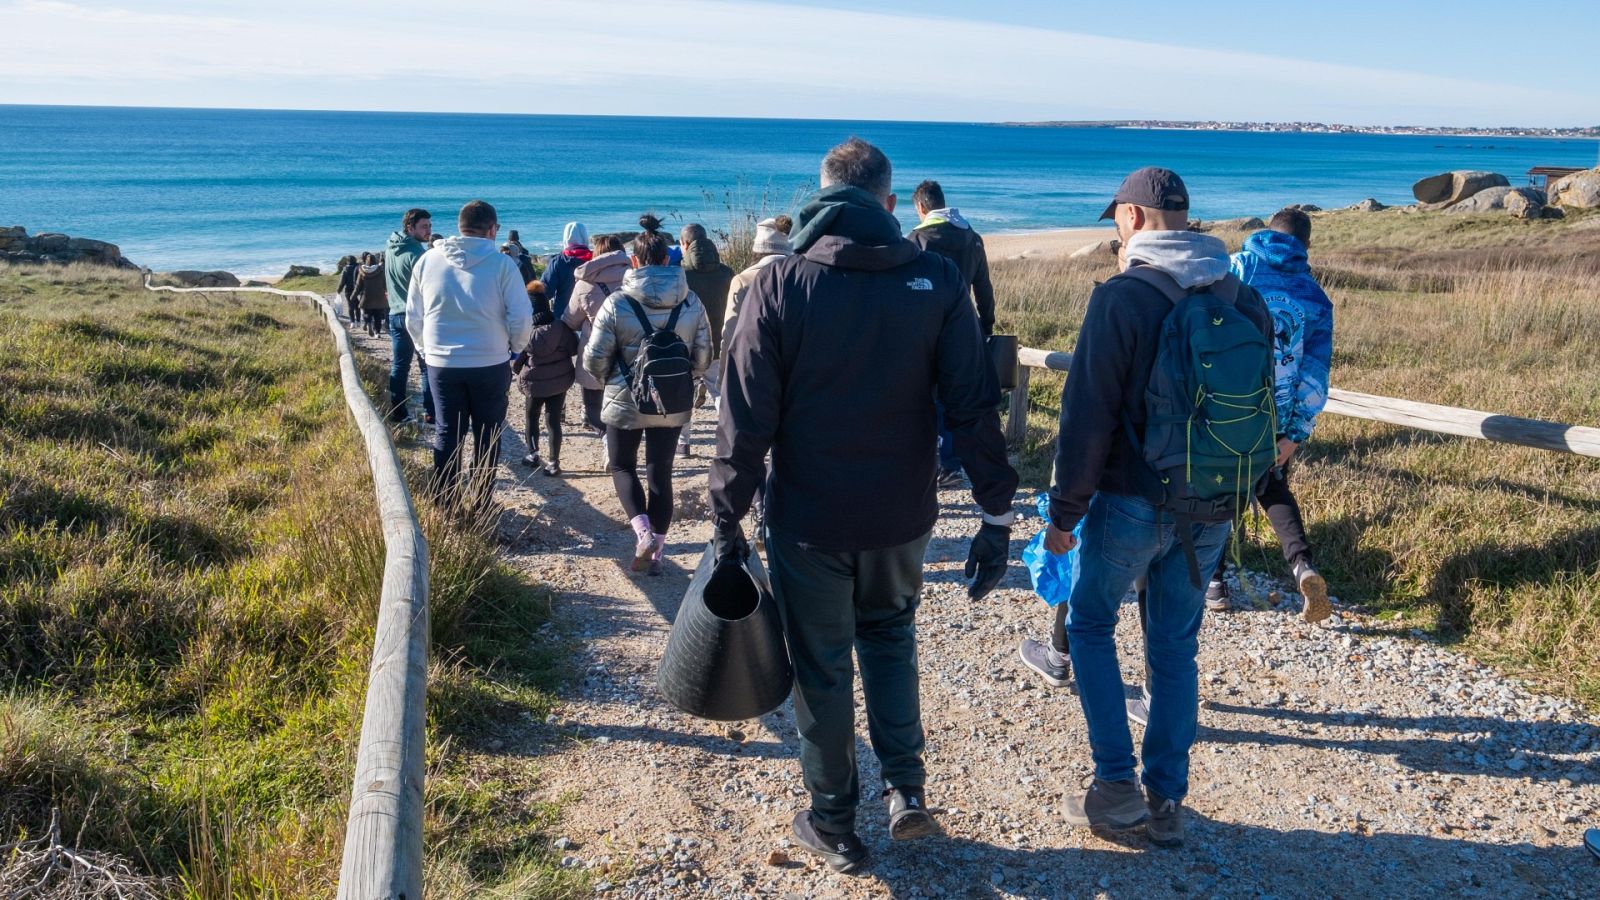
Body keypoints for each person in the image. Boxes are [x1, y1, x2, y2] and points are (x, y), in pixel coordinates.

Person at [710, 138, 1019, 874]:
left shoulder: (778, 284)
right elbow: (973, 406)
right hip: (902, 516)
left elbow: (745, 418)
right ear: (888, 203)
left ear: (819, 197)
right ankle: (906, 791)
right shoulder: (939, 280)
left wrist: (726, 520)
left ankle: (835, 822)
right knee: (890, 639)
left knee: (821, 667)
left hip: (810, 520)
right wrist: (996, 515)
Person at [1036, 167, 1271, 849]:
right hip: (1213, 504)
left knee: (1089, 625)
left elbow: (1086, 419)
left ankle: (1115, 787)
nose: (1114, 226)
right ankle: (1165, 799)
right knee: (1173, 648)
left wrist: (1063, 514)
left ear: (1134, 217)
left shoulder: (1122, 298)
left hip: (1132, 501)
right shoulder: (1242, 294)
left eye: (1116, 216)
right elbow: (1259, 409)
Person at [1206, 208, 1334, 621]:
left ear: (1265, 233)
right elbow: (1314, 375)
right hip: (1276, 419)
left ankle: (1215, 583)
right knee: (1273, 489)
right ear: (1306, 246)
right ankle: (1303, 566)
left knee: (1221, 493)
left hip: (1226, 409)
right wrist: (1294, 434)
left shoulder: (1235, 269)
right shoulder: (1314, 296)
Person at [583, 226, 711, 575]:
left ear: (634, 261)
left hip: (625, 398)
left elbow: (594, 360)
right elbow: (703, 357)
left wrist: (610, 380)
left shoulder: (617, 303)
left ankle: (643, 535)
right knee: (661, 472)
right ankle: (656, 553)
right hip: (673, 399)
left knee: (623, 466)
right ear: (668, 259)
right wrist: (685, 379)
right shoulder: (691, 300)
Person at [406, 200, 533, 510]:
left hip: (441, 361)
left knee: (448, 431)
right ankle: (481, 503)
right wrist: (514, 349)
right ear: (492, 229)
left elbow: (414, 316)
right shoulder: (503, 265)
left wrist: (426, 349)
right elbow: (521, 317)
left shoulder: (428, 260)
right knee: (488, 433)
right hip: (489, 360)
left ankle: (446, 503)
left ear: (460, 227)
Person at [909, 180, 998, 488]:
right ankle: (952, 462)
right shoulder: (973, 239)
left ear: (922, 207)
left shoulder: (918, 239)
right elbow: (983, 288)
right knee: (956, 396)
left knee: (924, 395)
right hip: (966, 327)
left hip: (926, 327)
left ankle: (926, 462)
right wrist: (986, 324)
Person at [565, 234, 630, 437]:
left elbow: (570, 320)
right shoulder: (635, 278)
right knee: (626, 404)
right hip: (630, 350)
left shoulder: (584, 284)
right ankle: (618, 443)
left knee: (593, 404)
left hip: (595, 351)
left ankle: (605, 439)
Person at [678, 223, 735, 456]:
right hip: (718, 343)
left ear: (685, 244)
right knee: (720, 392)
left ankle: (683, 444)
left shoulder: (681, 274)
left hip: (688, 345)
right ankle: (732, 436)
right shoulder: (727, 272)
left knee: (683, 394)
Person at [513, 292, 578, 476]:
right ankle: (553, 463)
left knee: (531, 417)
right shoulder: (562, 327)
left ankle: (533, 455)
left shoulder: (527, 332)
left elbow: (519, 358)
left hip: (535, 384)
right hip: (559, 382)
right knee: (553, 421)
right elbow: (573, 348)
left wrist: (518, 370)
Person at [385, 208, 436, 426]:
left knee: (400, 365)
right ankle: (431, 412)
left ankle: (398, 411)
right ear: (410, 228)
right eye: (424, 226)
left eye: (430, 226)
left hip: (395, 313)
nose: (429, 231)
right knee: (426, 364)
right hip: (416, 315)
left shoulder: (390, 249)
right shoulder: (418, 255)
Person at [542, 222, 592, 318]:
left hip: (564, 317)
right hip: (590, 317)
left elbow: (545, 292)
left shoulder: (558, 262)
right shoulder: (595, 259)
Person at [351, 252, 388, 337]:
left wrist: (353, 296)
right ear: (375, 261)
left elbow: (358, 286)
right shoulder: (380, 270)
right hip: (379, 297)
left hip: (366, 297)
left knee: (367, 313)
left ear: (366, 262)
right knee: (378, 316)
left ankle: (369, 323)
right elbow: (385, 283)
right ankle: (377, 333)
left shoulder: (362, 271)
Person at [336, 254, 359, 324]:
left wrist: (339, 290)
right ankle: (358, 320)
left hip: (348, 290)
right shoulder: (358, 268)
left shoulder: (345, 269)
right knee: (357, 305)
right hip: (357, 289)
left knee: (350, 305)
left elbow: (342, 282)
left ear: (348, 261)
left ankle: (352, 321)